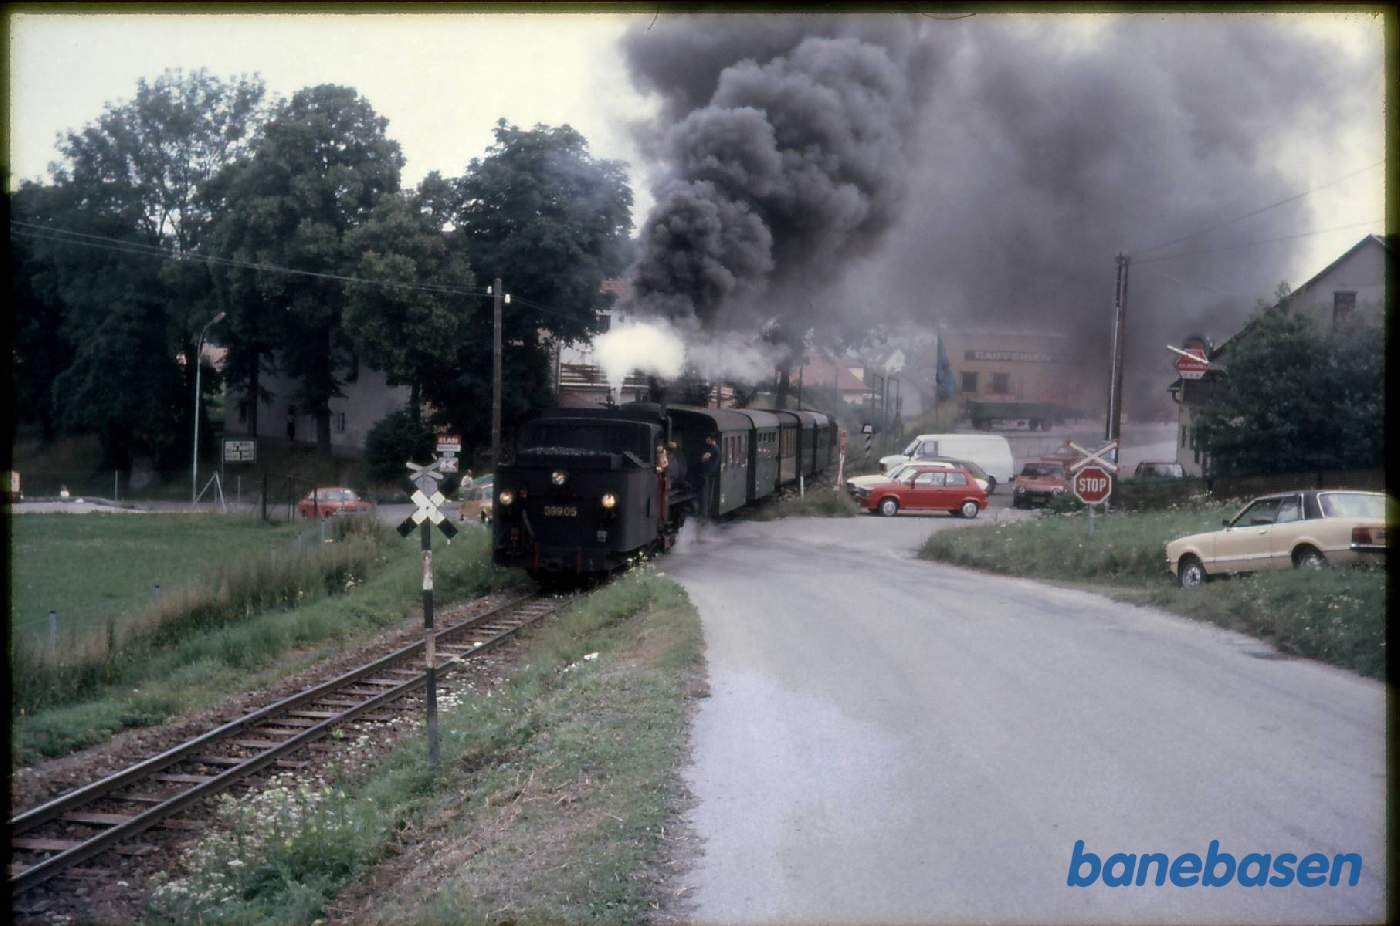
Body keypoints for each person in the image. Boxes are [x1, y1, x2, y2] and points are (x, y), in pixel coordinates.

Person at [692, 433, 721, 539]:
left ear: (711, 439)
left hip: (705, 477)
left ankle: (701, 526)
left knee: (703, 499)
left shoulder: (713, 449)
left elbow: (704, 458)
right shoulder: (714, 448)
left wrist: (701, 459)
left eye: (707, 438)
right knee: (703, 499)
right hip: (707, 476)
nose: (706, 439)